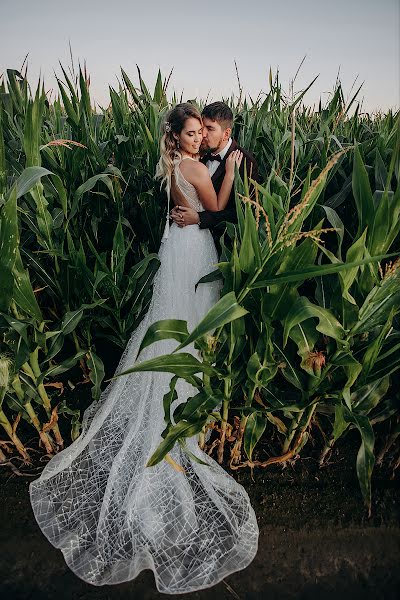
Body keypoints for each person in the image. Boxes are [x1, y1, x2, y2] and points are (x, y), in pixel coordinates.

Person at [29, 103, 259, 595]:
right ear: (177, 137)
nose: (198, 139)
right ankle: (188, 398)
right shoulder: (196, 166)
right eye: (192, 133)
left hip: (175, 245)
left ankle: (177, 383)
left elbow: (192, 210)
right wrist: (233, 171)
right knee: (196, 323)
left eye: (203, 133)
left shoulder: (172, 166)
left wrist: (195, 210)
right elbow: (218, 209)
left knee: (171, 322)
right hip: (194, 249)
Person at [170, 101, 259, 245]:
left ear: (226, 134)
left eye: (210, 129)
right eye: (202, 127)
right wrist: (177, 211)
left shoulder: (245, 162)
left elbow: (242, 212)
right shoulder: (197, 151)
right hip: (189, 238)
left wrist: (200, 218)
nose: (203, 134)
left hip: (226, 245)